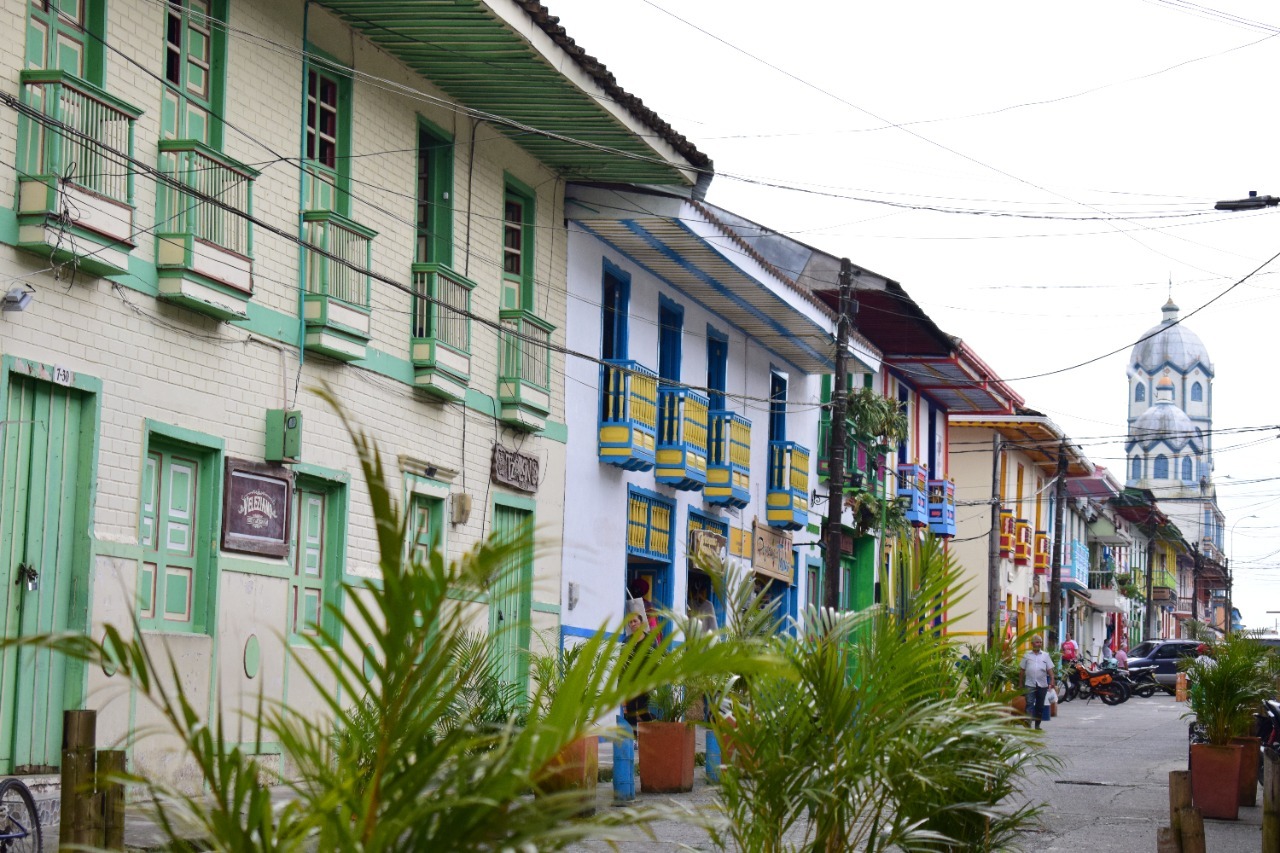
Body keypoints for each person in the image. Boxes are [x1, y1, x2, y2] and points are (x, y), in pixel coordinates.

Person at [622, 612, 656, 728]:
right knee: (630, 711)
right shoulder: (626, 642)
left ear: (641, 623)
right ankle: (634, 739)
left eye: (635, 621)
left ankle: (653, 730)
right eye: (630, 622)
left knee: (642, 709)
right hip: (630, 681)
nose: (633, 624)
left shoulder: (651, 640)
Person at [1019, 634, 1056, 730]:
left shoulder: (1045, 655)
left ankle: (1037, 725)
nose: (1039, 644)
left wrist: (1052, 680)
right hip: (1029, 683)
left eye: (1040, 642)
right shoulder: (1027, 655)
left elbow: (1050, 670)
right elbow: (1022, 670)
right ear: (1032, 644)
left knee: (1040, 705)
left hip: (1042, 684)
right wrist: (1020, 683)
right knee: (1029, 703)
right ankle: (1028, 723)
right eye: (1037, 642)